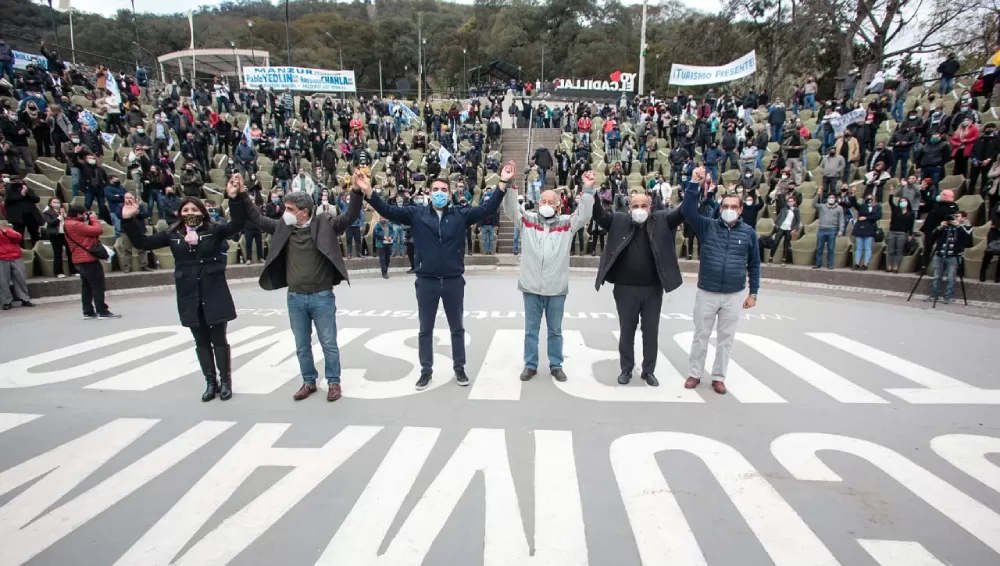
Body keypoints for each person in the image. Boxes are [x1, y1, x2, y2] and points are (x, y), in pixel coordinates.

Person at [361, 163, 512, 390]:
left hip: (453, 281)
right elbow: (388, 211)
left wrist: (502, 182)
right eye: (435, 190)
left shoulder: (460, 214)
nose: (439, 193)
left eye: (443, 190)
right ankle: (426, 371)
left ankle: (459, 368)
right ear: (429, 193)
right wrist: (368, 192)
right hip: (426, 282)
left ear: (449, 194)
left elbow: (486, 209)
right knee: (425, 330)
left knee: (457, 328)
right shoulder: (416, 214)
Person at [120, 175, 248, 401]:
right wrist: (129, 220)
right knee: (200, 341)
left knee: (219, 339)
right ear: (179, 213)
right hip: (189, 294)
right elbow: (142, 243)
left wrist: (234, 198)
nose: (190, 213)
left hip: (214, 291)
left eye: (195, 209)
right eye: (186, 209)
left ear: (203, 212)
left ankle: (226, 381)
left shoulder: (215, 230)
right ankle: (211, 382)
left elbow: (237, 225)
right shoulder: (172, 234)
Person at [240, 172, 364, 402]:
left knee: (329, 343)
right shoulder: (283, 228)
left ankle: (334, 382)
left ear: (303, 211)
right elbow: (258, 219)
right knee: (301, 345)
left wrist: (356, 191)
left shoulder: (325, 224)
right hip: (295, 298)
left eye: (288, 208)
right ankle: (309, 381)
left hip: (322, 296)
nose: (284, 212)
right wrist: (241, 195)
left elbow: (351, 216)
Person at [505, 170, 596, 382]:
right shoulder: (527, 221)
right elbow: (511, 210)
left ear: (558, 205)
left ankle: (556, 365)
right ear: (538, 203)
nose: (546, 204)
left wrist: (588, 189)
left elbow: (584, 215)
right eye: (542, 200)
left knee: (555, 331)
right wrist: (510, 185)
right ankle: (530, 365)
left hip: (556, 289)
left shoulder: (566, 224)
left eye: (550, 201)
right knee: (531, 331)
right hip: (531, 287)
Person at [593, 182, 685, 387]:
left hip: (652, 289)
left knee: (651, 331)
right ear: (629, 208)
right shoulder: (618, 220)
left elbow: (683, 213)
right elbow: (599, 214)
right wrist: (591, 191)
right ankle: (626, 370)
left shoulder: (661, 220)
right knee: (627, 330)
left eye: (644, 206)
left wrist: (695, 186)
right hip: (625, 289)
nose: (640, 210)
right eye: (636, 206)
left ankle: (648, 371)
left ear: (650, 208)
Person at [681, 166, 760, 395]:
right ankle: (695, 373)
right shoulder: (707, 226)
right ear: (720, 208)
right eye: (725, 206)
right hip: (707, 291)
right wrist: (694, 184)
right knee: (700, 335)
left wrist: (753, 293)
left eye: (733, 207)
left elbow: (754, 264)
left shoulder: (748, 233)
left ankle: (718, 377)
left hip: (734, 293)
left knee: (726, 339)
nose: (728, 210)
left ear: (741, 210)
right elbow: (688, 211)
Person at [64, 204, 120, 320]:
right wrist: (94, 218)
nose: (86, 216)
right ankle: (102, 311)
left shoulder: (67, 224)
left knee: (87, 286)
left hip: (78, 259)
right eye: (84, 214)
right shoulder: (76, 225)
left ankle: (88, 311)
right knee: (97, 286)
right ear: (79, 214)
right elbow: (98, 230)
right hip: (88, 258)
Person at [926, 211, 973, 304]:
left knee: (950, 278)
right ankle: (934, 296)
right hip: (940, 254)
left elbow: (967, 238)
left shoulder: (967, 227)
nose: (954, 218)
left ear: (963, 218)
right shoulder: (945, 227)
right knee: (936, 277)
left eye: (957, 216)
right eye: (953, 216)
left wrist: (958, 226)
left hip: (954, 256)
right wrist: (940, 227)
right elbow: (933, 236)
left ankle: (948, 297)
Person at [0, 224, 34, 310]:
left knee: (20, 278)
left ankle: (24, 298)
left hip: (15, 256)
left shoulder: (7, 229)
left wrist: (5, 232)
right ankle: (6, 301)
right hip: (1, 258)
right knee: (3, 281)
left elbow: (18, 237)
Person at [848, 187, 882, 270]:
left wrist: (866, 218)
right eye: (868, 198)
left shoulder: (877, 207)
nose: (870, 200)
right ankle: (857, 263)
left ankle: (865, 264)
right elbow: (854, 203)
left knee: (867, 247)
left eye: (871, 198)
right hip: (860, 228)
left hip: (870, 228)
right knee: (859, 247)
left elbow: (877, 216)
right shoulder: (862, 206)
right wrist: (853, 194)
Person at [813, 191, 845, 269]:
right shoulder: (822, 206)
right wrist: (818, 195)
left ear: (835, 199)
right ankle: (818, 263)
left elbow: (841, 220)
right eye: (829, 197)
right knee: (819, 247)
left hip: (832, 230)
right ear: (827, 199)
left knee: (831, 248)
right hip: (822, 229)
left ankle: (830, 264)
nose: (831, 199)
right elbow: (814, 204)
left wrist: (841, 230)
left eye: (833, 198)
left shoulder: (839, 208)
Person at [885, 193, 915, 273]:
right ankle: (889, 266)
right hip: (892, 232)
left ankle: (896, 267)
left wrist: (910, 234)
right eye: (901, 201)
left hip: (902, 233)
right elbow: (890, 202)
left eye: (904, 201)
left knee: (899, 251)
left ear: (907, 202)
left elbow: (911, 225)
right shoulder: (895, 210)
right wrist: (891, 194)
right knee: (890, 250)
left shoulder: (911, 213)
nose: (902, 202)